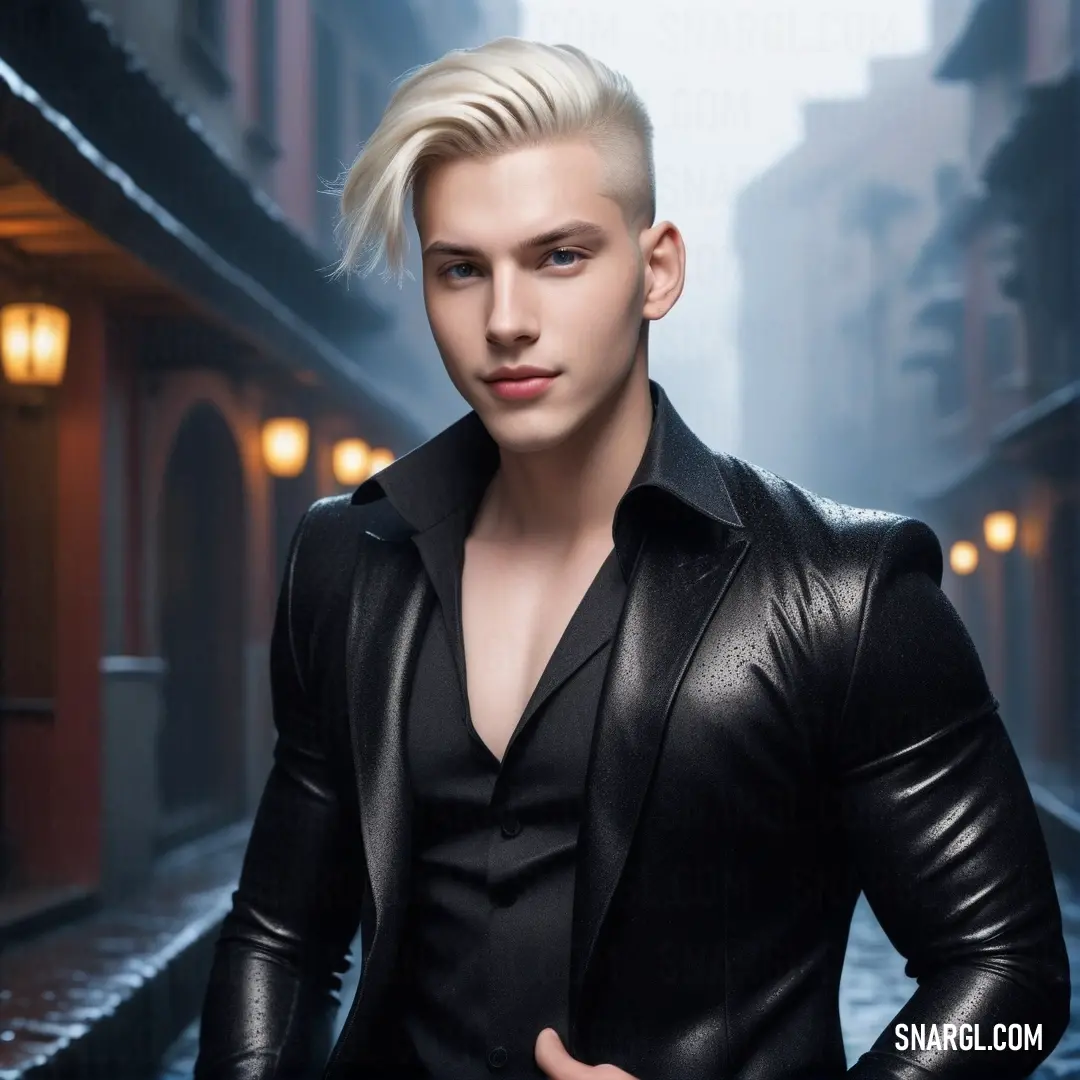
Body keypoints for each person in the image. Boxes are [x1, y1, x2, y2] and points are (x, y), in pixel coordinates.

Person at [193, 37, 1069, 1080]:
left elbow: (1008, 978)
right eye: (460, 269)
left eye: (559, 256)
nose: (505, 321)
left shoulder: (847, 592)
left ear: (656, 271)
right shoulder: (346, 559)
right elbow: (280, 939)